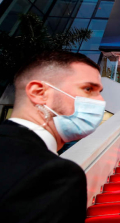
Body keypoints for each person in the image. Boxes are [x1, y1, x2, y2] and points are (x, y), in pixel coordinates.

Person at [0, 51, 105, 222]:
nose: (101, 101)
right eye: (88, 89)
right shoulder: (53, 174)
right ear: (39, 92)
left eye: (99, 91)